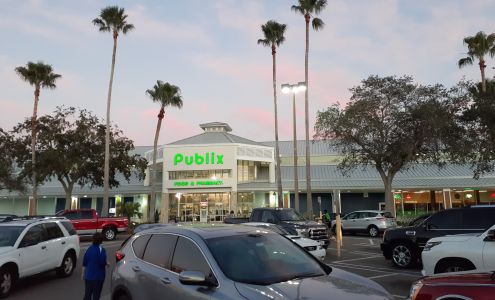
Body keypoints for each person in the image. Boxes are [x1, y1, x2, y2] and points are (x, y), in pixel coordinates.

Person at [82, 232, 108, 300]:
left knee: (87, 295)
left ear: (93, 239)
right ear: (101, 241)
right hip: (98, 277)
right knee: (96, 295)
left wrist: (83, 274)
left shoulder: (88, 249)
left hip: (88, 277)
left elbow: (84, 263)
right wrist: (107, 263)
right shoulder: (102, 250)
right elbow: (102, 263)